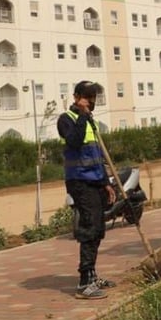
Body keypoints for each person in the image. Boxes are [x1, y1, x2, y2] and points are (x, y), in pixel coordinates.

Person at [57, 80, 117, 299]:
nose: (91, 101)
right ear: (76, 97)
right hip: (79, 181)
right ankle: (84, 283)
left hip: (94, 180)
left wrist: (106, 183)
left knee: (99, 228)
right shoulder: (67, 119)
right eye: (87, 97)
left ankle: (92, 275)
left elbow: (96, 156)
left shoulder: (90, 121)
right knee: (90, 226)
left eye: (94, 97)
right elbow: (74, 141)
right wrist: (82, 115)